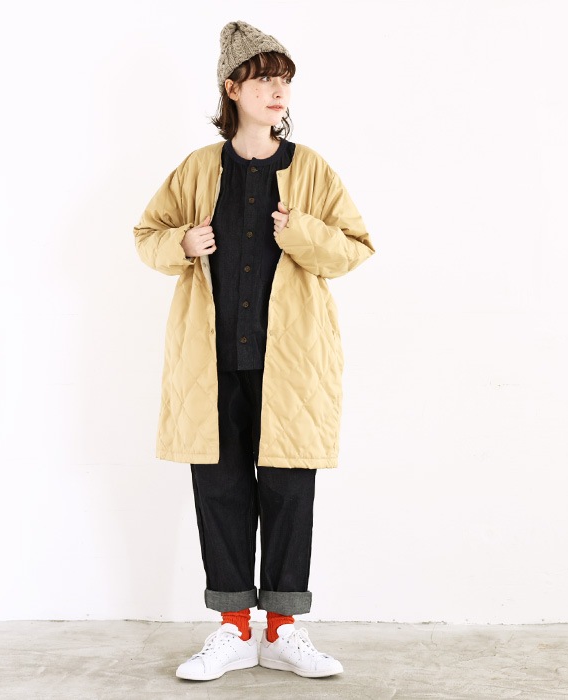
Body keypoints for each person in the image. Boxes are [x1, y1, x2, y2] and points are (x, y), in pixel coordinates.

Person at [132, 19, 375, 681]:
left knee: (290, 490)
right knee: (221, 490)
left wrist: (302, 235)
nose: (277, 91)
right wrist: (182, 244)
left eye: (284, 80)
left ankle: (284, 630)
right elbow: (148, 235)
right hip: (210, 364)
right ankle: (235, 630)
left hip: (291, 364)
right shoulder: (198, 169)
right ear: (232, 88)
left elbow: (356, 247)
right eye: (264, 79)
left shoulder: (310, 169)